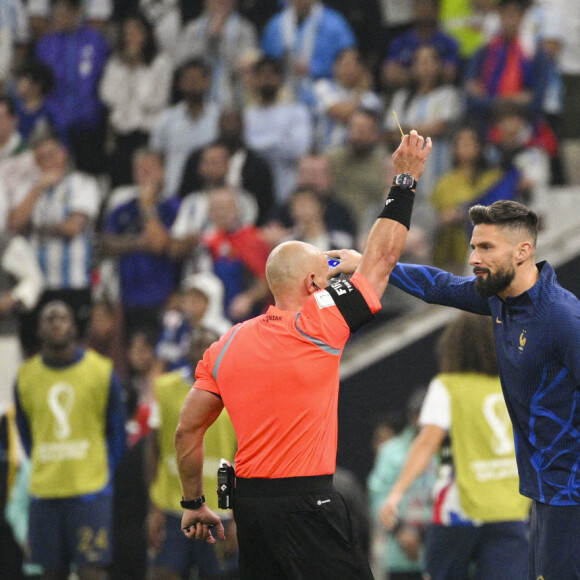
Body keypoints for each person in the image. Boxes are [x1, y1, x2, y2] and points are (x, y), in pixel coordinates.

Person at [174, 129, 432, 579]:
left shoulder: (225, 344)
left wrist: (194, 503)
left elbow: (186, 431)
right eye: (325, 272)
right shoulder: (320, 323)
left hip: (251, 508)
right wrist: (404, 180)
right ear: (313, 285)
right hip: (308, 503)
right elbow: (384, 259)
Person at [329, 199, 580, 578]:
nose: (474, 257)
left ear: (523, 252)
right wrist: (369, 263)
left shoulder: (562, 319)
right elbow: (440, 285)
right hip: (543, 491)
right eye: (473, 246)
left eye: (486, 247)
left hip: (571, 492)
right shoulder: (502, 300)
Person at [381, 313, 530, 579]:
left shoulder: (447, 387)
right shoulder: (513, 385)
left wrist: (397, 492)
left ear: (454, 346)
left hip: (458, 508)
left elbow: (427, 441)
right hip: (510, 508)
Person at [13, 300, 126, 579]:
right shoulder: (25, 377)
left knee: (91, 571)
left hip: (90, 492)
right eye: (49, 319)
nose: (56, 323)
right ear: (39, 329)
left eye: (62, 317)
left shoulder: (100, 370)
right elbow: (27, 434)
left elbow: (117, 431)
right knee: (51, 572)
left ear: (74, 327)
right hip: (45, 494)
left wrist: (103, 473)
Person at [148, 326, 238, 579]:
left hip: (219, 510)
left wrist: (236, 517)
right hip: (171, 507)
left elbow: (239, 457)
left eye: (208, 345)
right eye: (195, 343)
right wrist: (153, 508)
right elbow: (153, 449)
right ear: (185, 349)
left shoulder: (237, 391)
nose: (201, 350)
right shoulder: (164, 388)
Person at [368, 388, 436, 580]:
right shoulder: (391, 451)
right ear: (412, 417)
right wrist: (400, 531)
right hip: (401, 556)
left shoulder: (449, 451)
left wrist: (424, 535)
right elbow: (377, 496)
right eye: (419, 416)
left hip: (441, 551)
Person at [99, 11, 173, 187]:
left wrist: (137, 70)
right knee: (119, 181)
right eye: (127, 33)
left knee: (144, 180)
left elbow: (156, 101)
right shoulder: (116, 63)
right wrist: (127, 71)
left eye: (136, 32)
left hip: (146, 133)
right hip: (120, 133)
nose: (131, 37)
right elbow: (107, 96)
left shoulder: (160, 63)